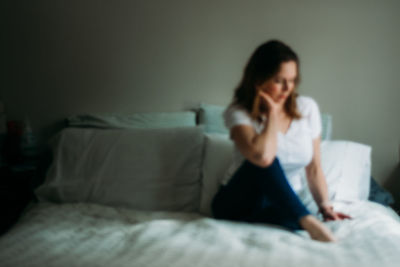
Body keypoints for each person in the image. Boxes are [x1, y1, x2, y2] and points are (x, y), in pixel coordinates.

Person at [211, 40, 351, 242]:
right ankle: (308, 222)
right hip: (236, 203)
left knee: (294, 217)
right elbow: (262, 157)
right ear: (259, 80)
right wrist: (273, 115)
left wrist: (325, 207)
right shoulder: (239, 112)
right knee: (266, 161)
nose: (287, 88)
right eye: (279, 80)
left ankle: (301, 217)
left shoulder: (307, 108)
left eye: (292, 80)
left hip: (281, 203)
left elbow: (314, 167)